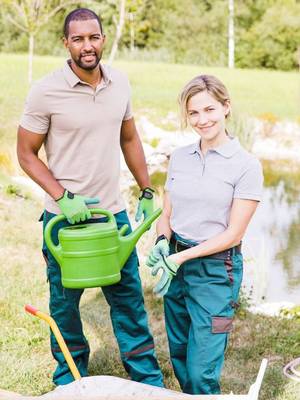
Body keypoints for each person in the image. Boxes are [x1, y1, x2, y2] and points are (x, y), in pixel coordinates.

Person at [17, 8, 163, 387]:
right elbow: (26, 154)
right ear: (66, 43)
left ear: (103, 38)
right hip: (65, 222)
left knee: (129, 302)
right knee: (65, 307)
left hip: (112, 217)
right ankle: (70, 378)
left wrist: (146, 188)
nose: (87, 46)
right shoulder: (45, 91)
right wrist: (62, 196)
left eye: (93, 37)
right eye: (78, 39)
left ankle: (147, 381)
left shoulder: (120, 84)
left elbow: (129, 139)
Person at [146, 75, 263, 395]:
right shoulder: (180, 157)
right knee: (180, 355)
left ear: (226, 107)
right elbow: (166, 214)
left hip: (215, 270)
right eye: (193, 113)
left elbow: (234, 233)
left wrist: (179, 257)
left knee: (201, 370)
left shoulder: (246, 165)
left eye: (209, 110)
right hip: (176, 262)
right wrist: (161, 243)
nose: (202, 120)